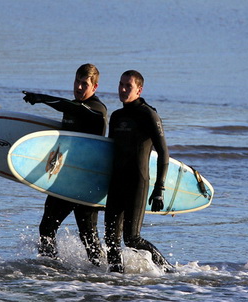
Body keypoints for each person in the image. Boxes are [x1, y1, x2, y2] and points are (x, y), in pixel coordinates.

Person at [22, 64, 107, 265]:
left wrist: (42, 98)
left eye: (84, 84)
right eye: (76, 81)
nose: (78, 87)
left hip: (87, 182)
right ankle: (50, 267)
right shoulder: (71, 108)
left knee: (88, 235)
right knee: (46, 228)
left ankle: (105, 275)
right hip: (65, 179)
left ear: (94, 87)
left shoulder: (97, 110)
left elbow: (72, 107)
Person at [104, 70, 174, 273]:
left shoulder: (148, 114)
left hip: (138, 181)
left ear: (139, 89)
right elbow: (110, 151)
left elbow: (163, 152)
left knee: (132, 238)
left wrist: (159, 187)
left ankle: (168, 270)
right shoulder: (116, 117)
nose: (123, 89)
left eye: (128, 86)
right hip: (116, 182)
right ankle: (114, 281)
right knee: (110, 240)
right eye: (121, 84)